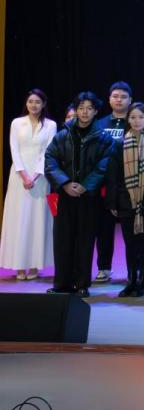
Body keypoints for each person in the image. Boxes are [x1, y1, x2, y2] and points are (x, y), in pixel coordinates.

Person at [44, 92, 115, 296]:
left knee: (85, 240)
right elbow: (50, 160)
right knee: (63, 240)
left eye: (89, 108)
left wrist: (86, 185)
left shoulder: (104, 138)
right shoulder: (62, 134)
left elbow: (105, 166)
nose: (85, 112)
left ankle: (81, 284)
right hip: (65, 195)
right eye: (81, 108)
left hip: (89, 197)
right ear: (76, 110)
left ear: (96, 111)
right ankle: (61, 284)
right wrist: (65, 183)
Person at [1, 89, 57, 280]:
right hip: (18, 176)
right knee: (19, 219)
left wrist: (34, 176)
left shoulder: (51, 125)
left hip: (40, 177)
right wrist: (24, 176)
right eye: (30, 101)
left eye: (37, 102)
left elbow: (48, 152)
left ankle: (34, 265)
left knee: (37, 219)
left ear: (43, 104)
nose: (34, 105)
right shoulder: (17, 123)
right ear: (26, 103)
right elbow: (14, 150)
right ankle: (19, 266)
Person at [104, 102, 144, 297]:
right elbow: (112, 176)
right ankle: (131, 279)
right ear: (128, 119)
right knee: (130, 242)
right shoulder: (119, 144)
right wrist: (112, 202)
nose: (137, 121)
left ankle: (142, 280)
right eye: (133, 117)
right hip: (126, 200)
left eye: (141, 117)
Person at [93, 81, 132, 284]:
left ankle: (133, 272)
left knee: (130, 231)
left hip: (127, 185)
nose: (119, 100)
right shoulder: (99, 124)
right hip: (103, 185)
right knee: (104, 229)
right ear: (109, 99)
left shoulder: (134, 122)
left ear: (130, 100)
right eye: (115, 96)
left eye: (123, 97)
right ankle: (104, 268)